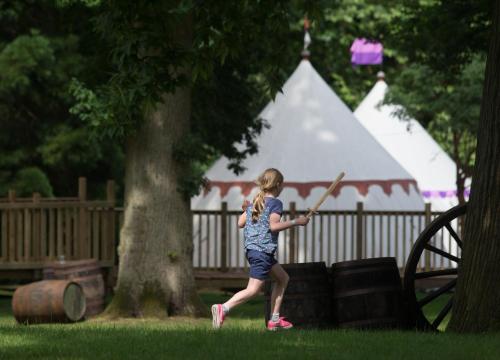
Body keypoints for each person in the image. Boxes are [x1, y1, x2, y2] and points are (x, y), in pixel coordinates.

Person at [211, 168, 310, 331]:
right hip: (262, 252)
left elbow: (240, 223)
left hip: (255, 251)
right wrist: (296, 222)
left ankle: (274, 320)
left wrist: (246, 210)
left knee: (283, 278)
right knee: (253, 289)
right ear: (278, 184)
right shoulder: (275, 203)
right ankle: (224, 308)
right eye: (282, 185)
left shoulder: (256, 201)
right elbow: (273, 226)